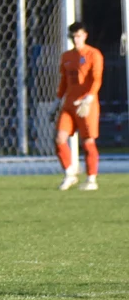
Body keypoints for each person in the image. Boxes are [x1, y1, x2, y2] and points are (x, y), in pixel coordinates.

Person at [55, 22, 103, 191]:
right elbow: (64, 81)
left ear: (85, 35)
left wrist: (89, 98)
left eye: (79, 35)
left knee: (88, 142)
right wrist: (57, 100)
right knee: (60, 138)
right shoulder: (67, 56)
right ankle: (70, 174)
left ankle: (91, 179)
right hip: (69, 105)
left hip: (86, 105)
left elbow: (97, 79)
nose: (76, 39)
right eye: (74, 36)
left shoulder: (93, 54)